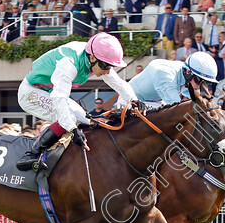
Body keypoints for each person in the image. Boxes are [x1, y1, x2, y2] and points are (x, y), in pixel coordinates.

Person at [16, 33, 138, 171]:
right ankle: (30, 155)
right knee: (70, 120)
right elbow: (59, 98)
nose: (107, 71)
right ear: (92, 58)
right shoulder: (69, 64)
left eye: (111, 66)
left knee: (87, 120)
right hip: (30, 92)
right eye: (105, 66)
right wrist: (72, 130)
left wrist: (134, 100)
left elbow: (117, 82)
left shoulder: (94, 57)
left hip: (49, 91)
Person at [129, 52, 218, 107]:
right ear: (188, 72)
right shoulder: (165, 75)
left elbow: (199, 98)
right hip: (130, 100)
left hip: (154, 102)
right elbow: (176, 105)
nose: (199, 86)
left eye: (205, 82)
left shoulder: (188, 76)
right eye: (199, 80)